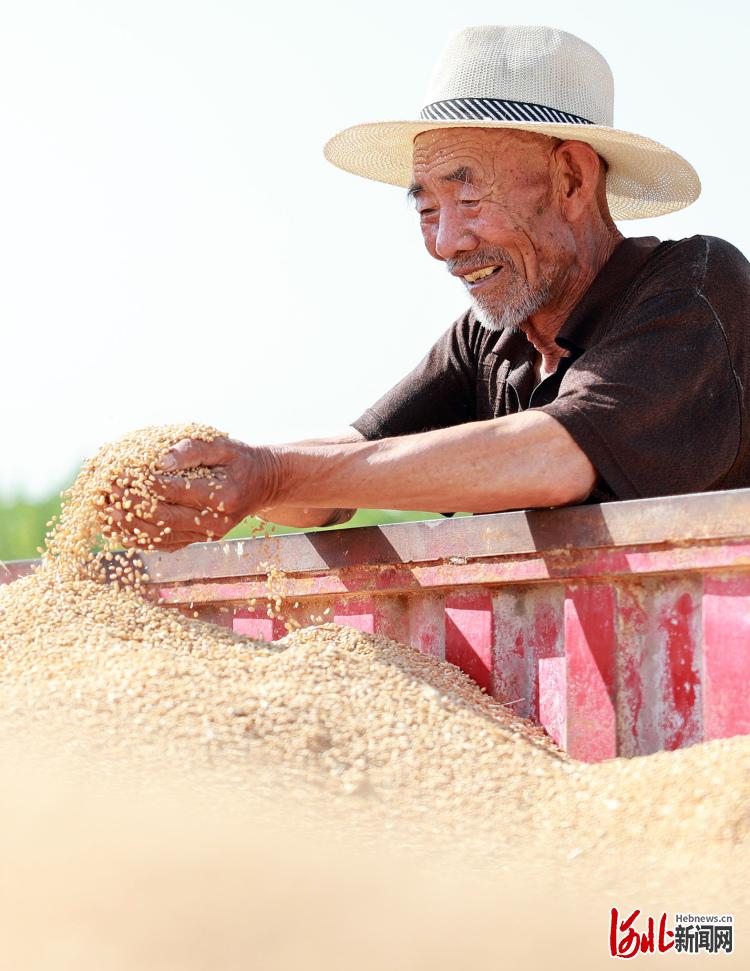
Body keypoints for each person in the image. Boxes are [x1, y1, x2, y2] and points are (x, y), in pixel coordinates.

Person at [110, 25, 750, 552]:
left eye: (468, 196)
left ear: (573, 178)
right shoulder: (489, 341)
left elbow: (555, 454)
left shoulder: (693, 288)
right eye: (425, 209)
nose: (446, 243)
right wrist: (210, 479)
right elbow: (352, 464)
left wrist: (271, 474)